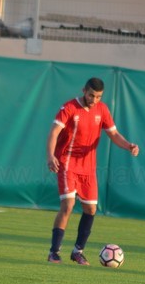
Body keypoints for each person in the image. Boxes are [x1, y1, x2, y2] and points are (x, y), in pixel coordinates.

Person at [46, 77, 139, 265]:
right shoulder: (70, 108)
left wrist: (128, 145)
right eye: (91, 95)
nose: (94, 99)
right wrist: (50, 156)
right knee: (68, 205)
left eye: (98, 97)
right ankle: (54, 252)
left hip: (88, 168)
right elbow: (54, 132)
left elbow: (113, 134)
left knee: (90, 209)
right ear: (84, 90)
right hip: (67, 163)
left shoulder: (102, 110)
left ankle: (77, 252)